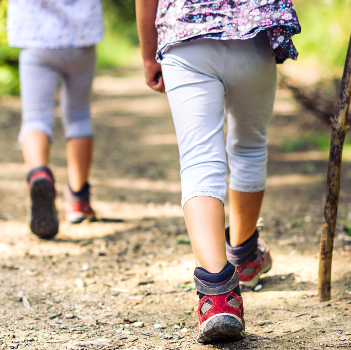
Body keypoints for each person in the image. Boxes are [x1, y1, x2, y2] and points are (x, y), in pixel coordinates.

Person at [136, 0, 301, 343]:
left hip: (186, 37)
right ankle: (243, 255)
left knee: (199, 160)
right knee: (250, 146)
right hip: (254, 34)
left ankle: (217, 296)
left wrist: (149, 54)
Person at [7, 0, 103, 239]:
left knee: (35, 118)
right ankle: (78, 200)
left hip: (36, 40)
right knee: (79, 116)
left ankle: (39, 174)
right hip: (81, 39)